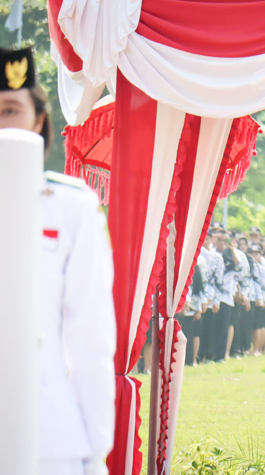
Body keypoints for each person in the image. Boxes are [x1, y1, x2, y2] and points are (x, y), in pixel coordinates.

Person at [0, 46, 117, 475]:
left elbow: (89, 337)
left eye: (10, 109)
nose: (1, 124)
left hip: (49, 438)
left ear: (38, 121)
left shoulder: (71, 208)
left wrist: (95, 450)